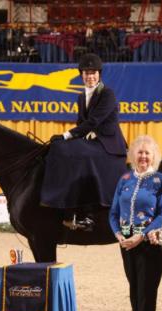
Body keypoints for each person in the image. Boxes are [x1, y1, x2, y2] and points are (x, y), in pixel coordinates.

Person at [41, 53, 127, 231]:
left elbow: (93, 122)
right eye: (87, 73)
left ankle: (88, 213)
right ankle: (59, 202)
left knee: (78, 154)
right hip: (91, 141)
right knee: (61, 149)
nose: (90, 76)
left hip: (109, 144)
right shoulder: (81, 97)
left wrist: (66, 135)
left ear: (99, 74)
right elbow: (82, 124)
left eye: (93, 72)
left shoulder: (107, 93)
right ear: (81, 75)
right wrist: (67, 139)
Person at [109, 135, 162, 311]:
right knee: (134, 290)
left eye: (147, 153)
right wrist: (118, 234)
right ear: (133, 155)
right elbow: (114, 212)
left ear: (154, 156)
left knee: (147, 291)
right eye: (140, 152)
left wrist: (142, 235)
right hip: (126, 242)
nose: (143, 156)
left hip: (149, 243)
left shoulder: (161, 180)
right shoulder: (124, 178)